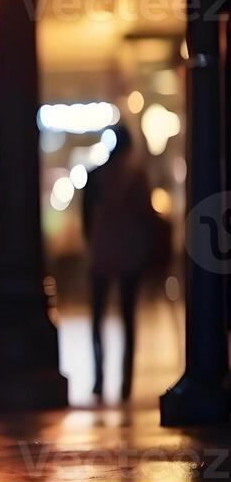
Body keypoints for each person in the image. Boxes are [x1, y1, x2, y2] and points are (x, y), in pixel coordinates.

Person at [81, 125, 156, 404]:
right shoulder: (137, 179)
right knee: (128, 318)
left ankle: (99, 378)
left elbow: (86, 220)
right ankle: (126, 383)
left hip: (101, 252)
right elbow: (148, 218)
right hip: (131, 253)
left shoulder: (95, 177)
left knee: (97, 318)